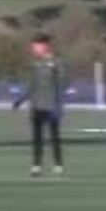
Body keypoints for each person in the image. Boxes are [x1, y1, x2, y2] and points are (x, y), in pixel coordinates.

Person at [11, 34, 65, 177]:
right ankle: (36, 166)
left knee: (54, 137)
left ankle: (58, 165)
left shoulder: (56, 63)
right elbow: (32, 86)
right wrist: (20, 100)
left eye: (36, 46)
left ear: (45, 46)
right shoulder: (35, 64)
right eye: (33, 46)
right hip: (37, 106)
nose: (33, 49)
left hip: (51, 105)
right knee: (37, 138)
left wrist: (59, 106)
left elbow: (61, 84)